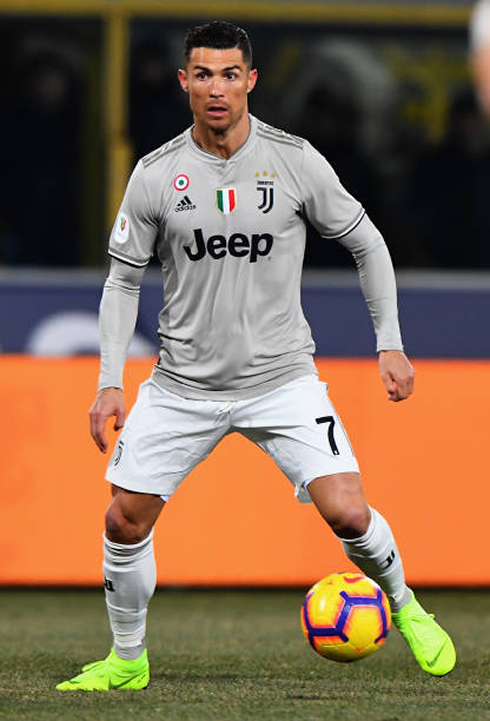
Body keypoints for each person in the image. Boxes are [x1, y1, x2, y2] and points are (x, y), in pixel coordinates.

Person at [56, 21, 456, 691]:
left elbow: (369, 243)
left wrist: (389, 340)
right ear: (185, 82)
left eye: (229, 74)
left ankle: (406, 605)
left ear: (251, 81)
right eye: (203, 75)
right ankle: (127, 659)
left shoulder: (294, 160)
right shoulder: (156, 174)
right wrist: (108, 382)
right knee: (123, 517)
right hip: (183, 383)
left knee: (350, 514)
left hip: (281, 378)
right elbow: (123, 278)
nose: (217, 88)